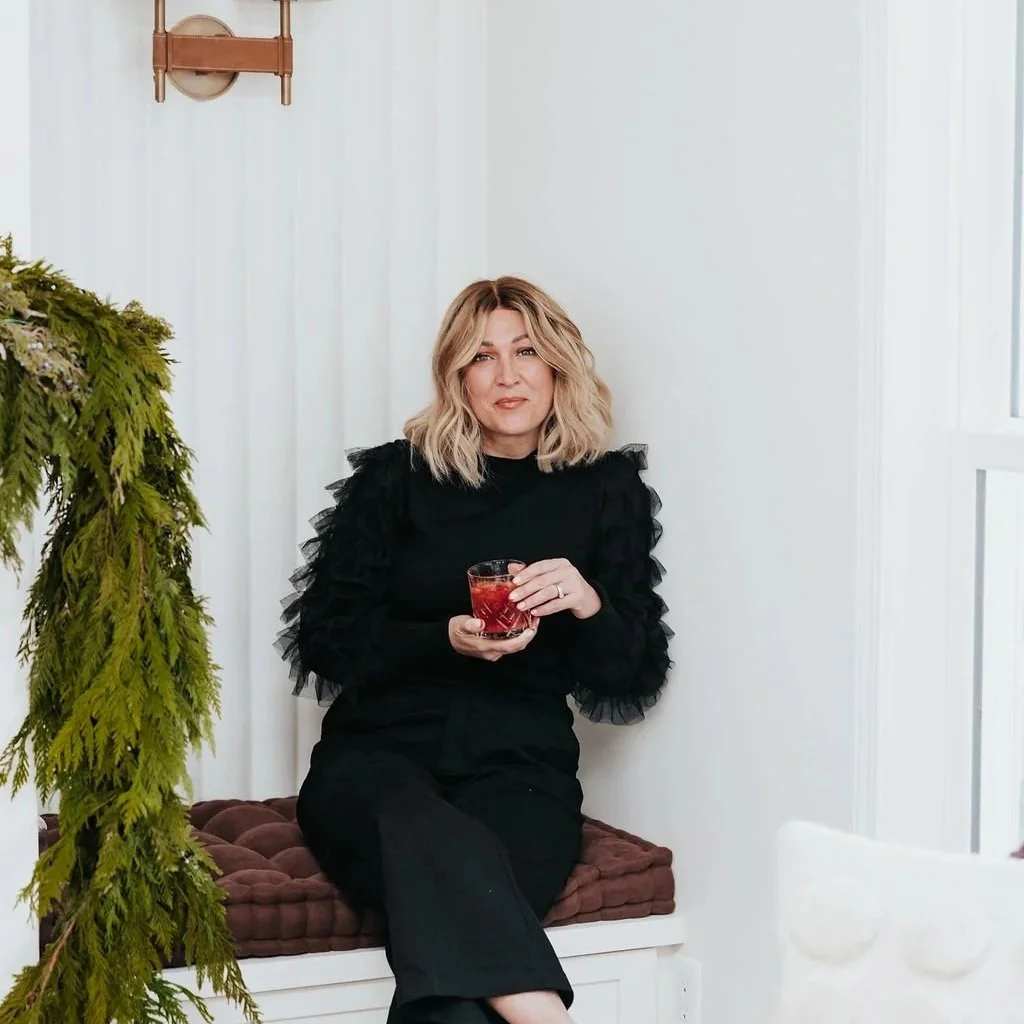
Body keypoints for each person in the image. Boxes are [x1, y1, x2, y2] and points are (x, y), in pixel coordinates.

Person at [277, 277, 671, 1024]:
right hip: (379, 758)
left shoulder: (603, 490)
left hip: (521, 769)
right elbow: (324, 640)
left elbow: (631, 674)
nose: (507, 375)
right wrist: (445, 637)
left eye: (526, 352)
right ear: (457, 376)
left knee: (460, 971)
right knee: (423, 833)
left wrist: (587, 601)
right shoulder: (397, 477)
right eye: (483, 357)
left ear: (558, 365)